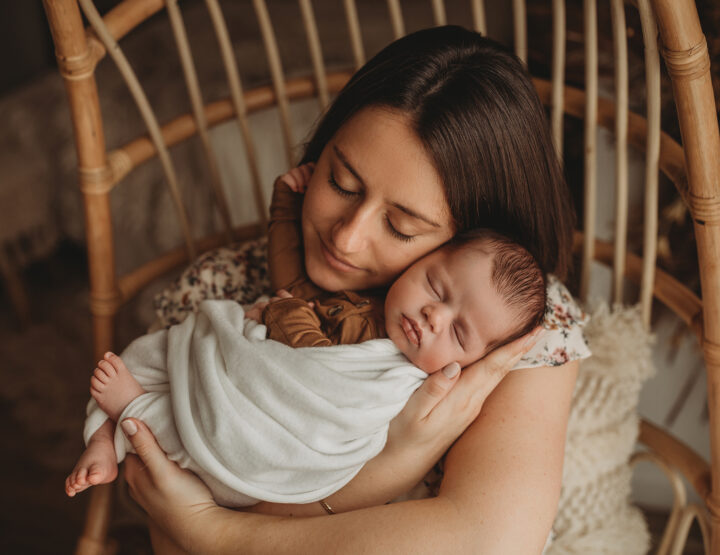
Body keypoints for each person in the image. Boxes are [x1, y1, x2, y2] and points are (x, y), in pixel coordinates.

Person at [119, 25, 589, 553]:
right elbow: (163, 498)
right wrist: (394, 462)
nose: (347, 236)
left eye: (402, 227)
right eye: (341, 183)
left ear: (475, 236)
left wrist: (216, 532)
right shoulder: (221, 290)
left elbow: (489, 541)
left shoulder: (507, 328)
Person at [66, 166, 547, 508]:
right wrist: (285, 209)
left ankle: (133, 412)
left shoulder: (396, 379)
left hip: (265, 445)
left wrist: (284, 312)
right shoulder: (368, 302)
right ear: (426, 259)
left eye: (459, 332)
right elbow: (292, 278)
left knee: (202, 438)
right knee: (163, 351)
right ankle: (106, 436)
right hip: (249, 375)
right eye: (436, 286)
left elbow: (311, 360)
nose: (433, 316)